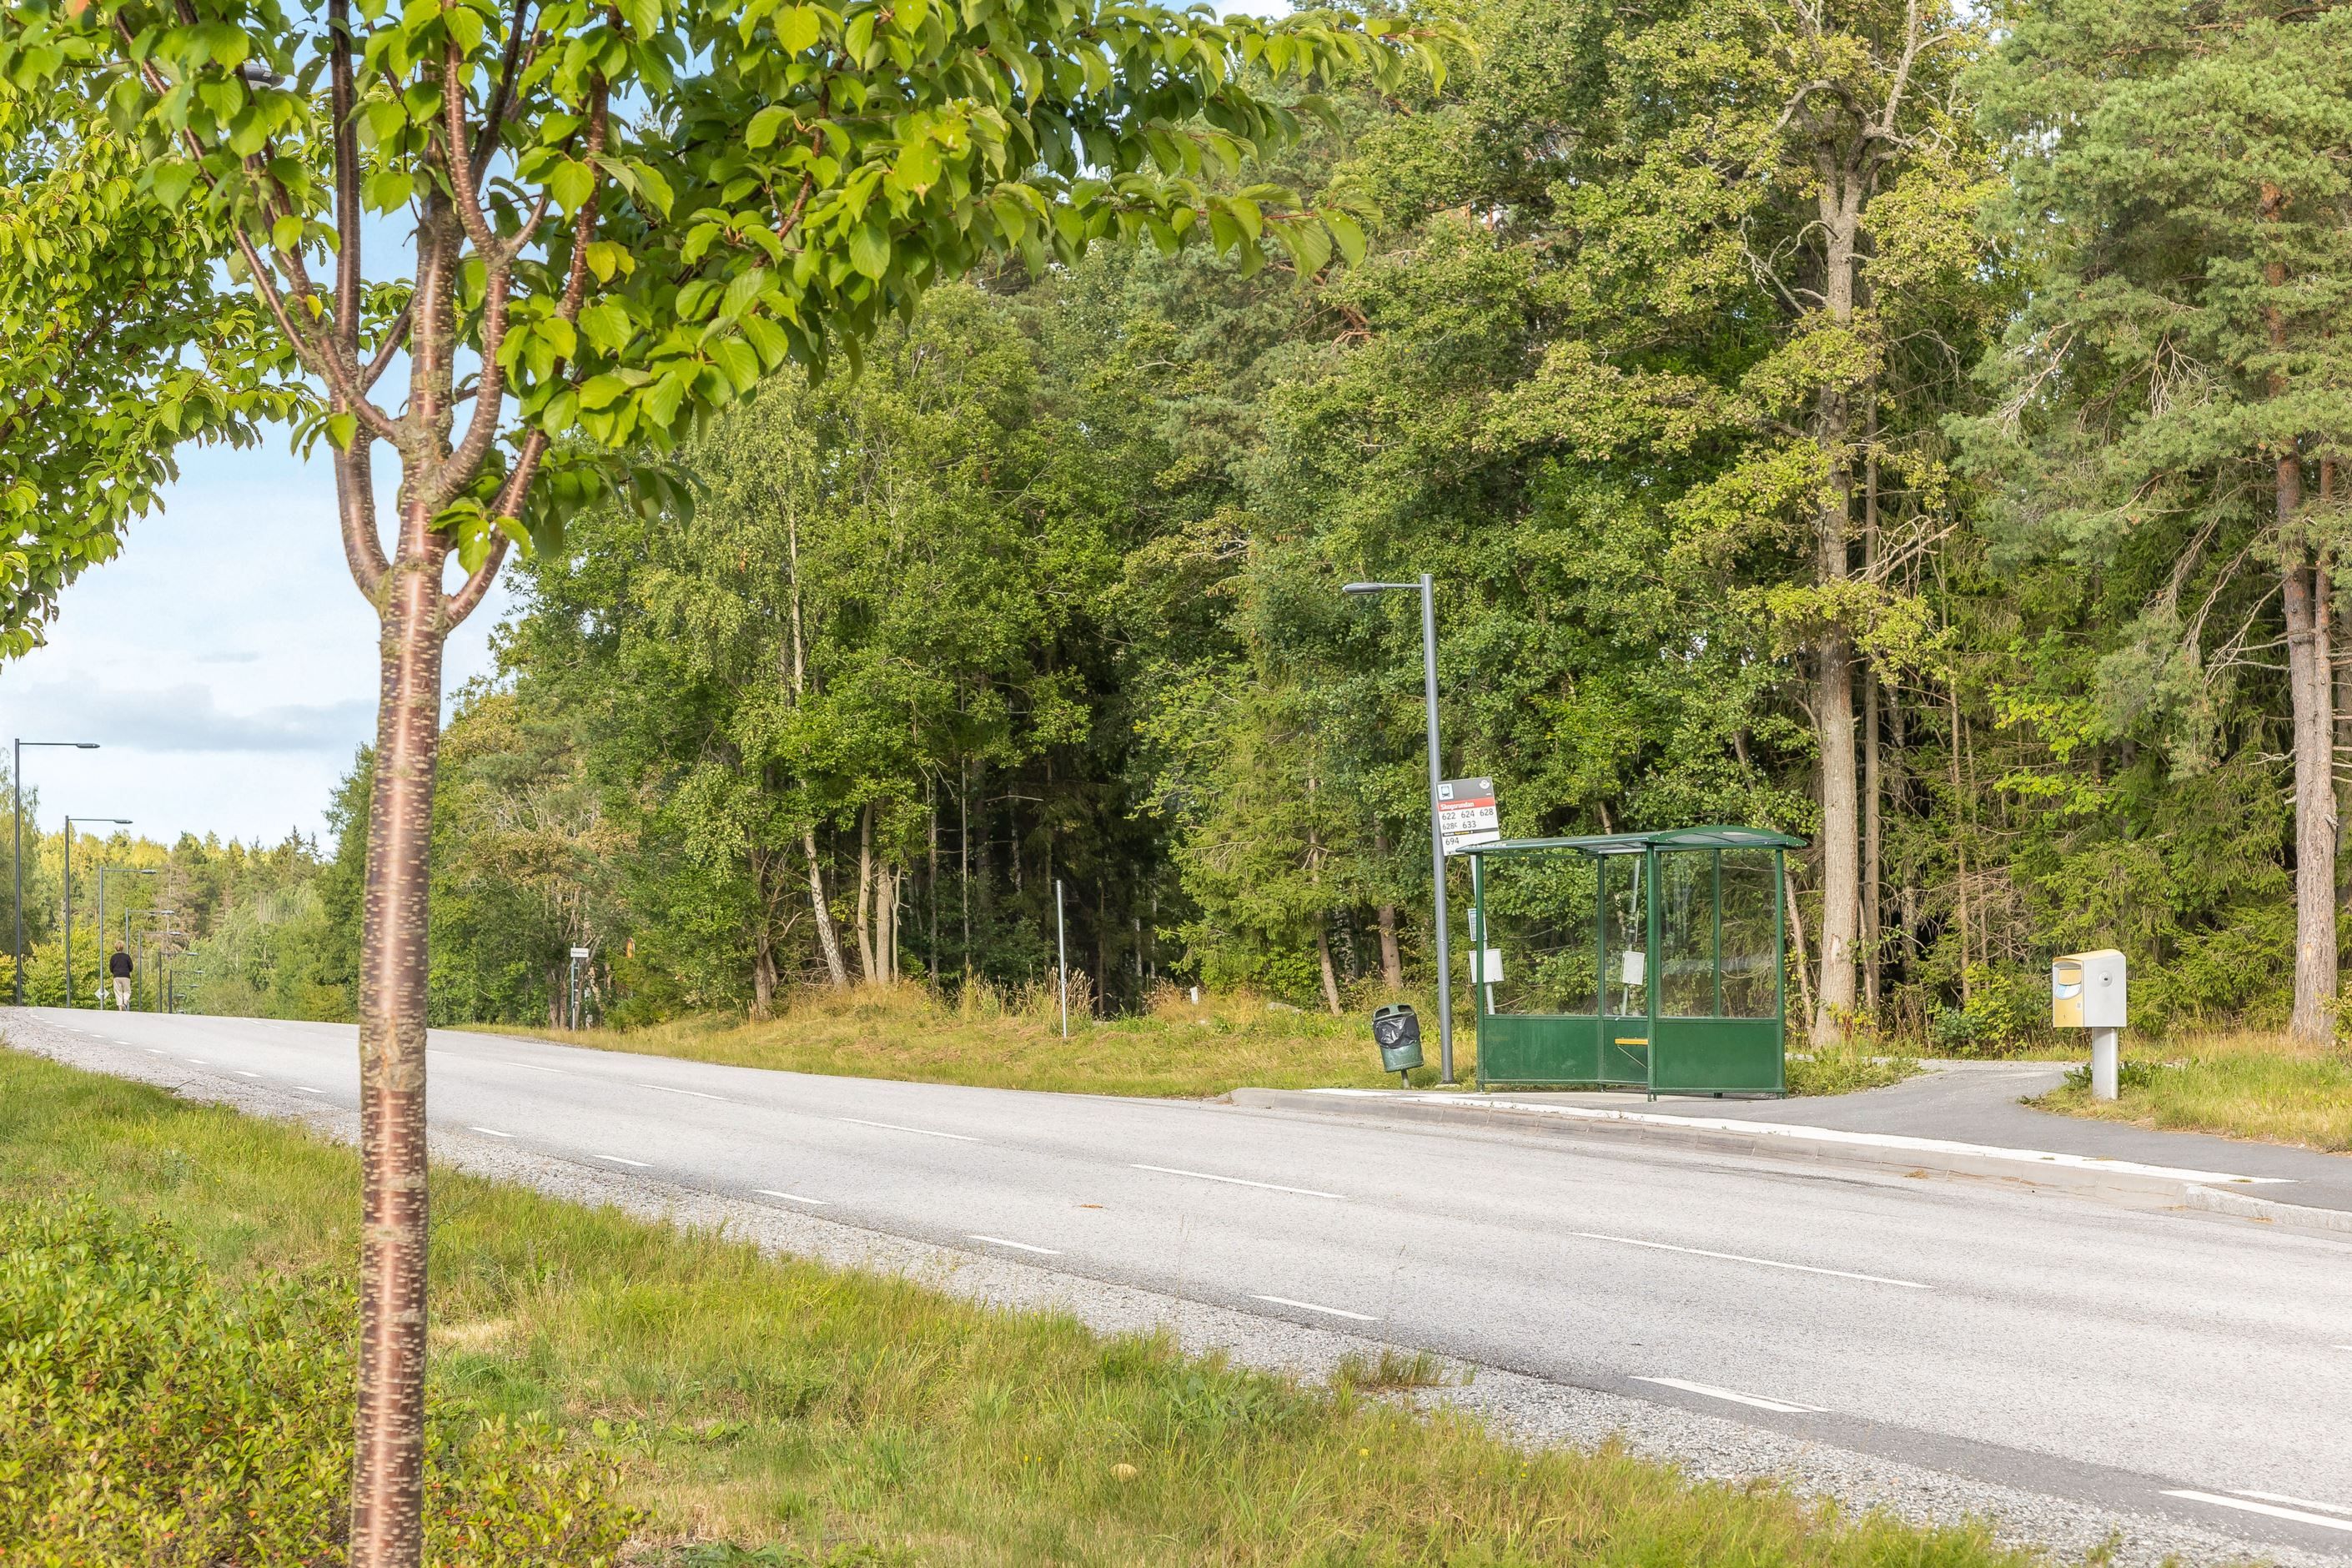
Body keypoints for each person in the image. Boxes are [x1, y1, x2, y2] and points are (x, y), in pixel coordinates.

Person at [108, 946, 133, 1010]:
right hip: (126, 976)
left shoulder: (113, 957)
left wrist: (114, 972)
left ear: (116, 948)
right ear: (123, 948)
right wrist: (128, 971)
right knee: (127, 991)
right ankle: (124, 1003)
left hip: (117, 976)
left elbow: (111, 968)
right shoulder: (127, 957)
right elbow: (131, 967)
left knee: (118, 991)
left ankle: (120, 1008)